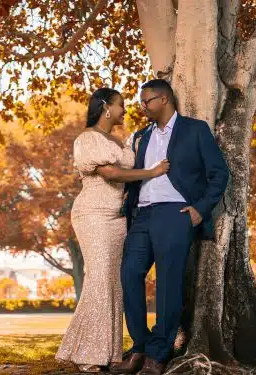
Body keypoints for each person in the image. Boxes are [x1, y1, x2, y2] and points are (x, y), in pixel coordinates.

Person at [111, 79, 229, 375]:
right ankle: (140, 347)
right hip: (142, 215)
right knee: (129, 274)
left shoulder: (195, 129)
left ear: (163, 100)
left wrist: (200, 210)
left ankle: (158, 354)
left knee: (168, 283)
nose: (142, 107)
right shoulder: (143, 136)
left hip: (175, 214)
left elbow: (219, 173)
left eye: (146, 101)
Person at [56, 87, 170, 373]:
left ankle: (109, 352)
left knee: (115, 283)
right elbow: (112, 174)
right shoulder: (87, 139)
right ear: (106, 107)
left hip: (118, 218)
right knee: (100, 278)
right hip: (93, 214)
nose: (125, 110)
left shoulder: (119, 141)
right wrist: (153, 172)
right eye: (120, 105)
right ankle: (86, 354)